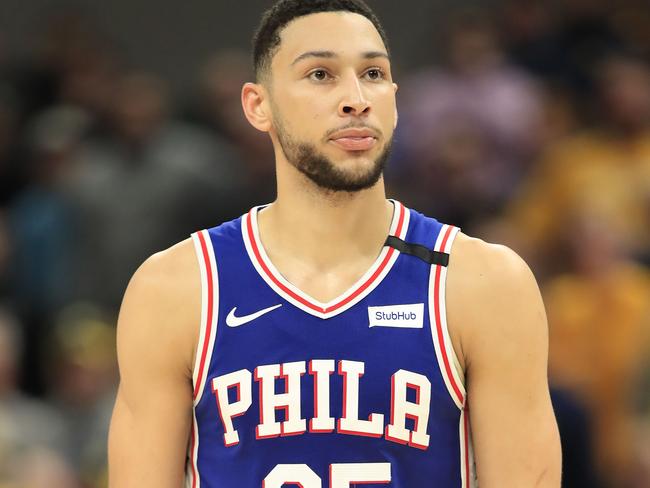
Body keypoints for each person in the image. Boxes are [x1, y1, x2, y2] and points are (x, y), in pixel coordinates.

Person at [108, 1, 561, 486]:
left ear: (395, 97)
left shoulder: (483, 283)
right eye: (321, 74)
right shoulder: (177, 289)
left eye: (373, 73)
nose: (356, 98)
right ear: (257, 106)